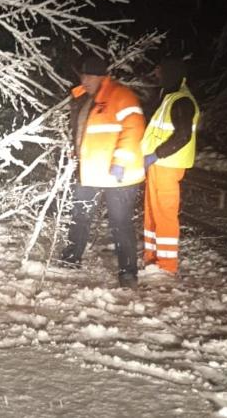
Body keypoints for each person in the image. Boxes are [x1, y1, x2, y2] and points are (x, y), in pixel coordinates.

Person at [60, 55, 146, 289]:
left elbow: (134, 131)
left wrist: (120, 161)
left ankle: (128, 272)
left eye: (88, 76)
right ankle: (70, 258)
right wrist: (76, 152)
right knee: (80, 215)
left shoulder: (121, 96)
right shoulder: (85, 100)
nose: (84, 80)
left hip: (120, 176)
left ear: (101, 77)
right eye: (82, 76)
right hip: (91, 171)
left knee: (120, 223)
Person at [141, 58, 200, 278]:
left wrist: (157, 154)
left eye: (160, 71)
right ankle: (152, 258)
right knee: (152, 215)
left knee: (164, 215)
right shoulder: (170, 97)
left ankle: (166, 266)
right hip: (158, 166)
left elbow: (182, 135)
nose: (157, 75)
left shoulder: (182, 100)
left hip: (167, 165)